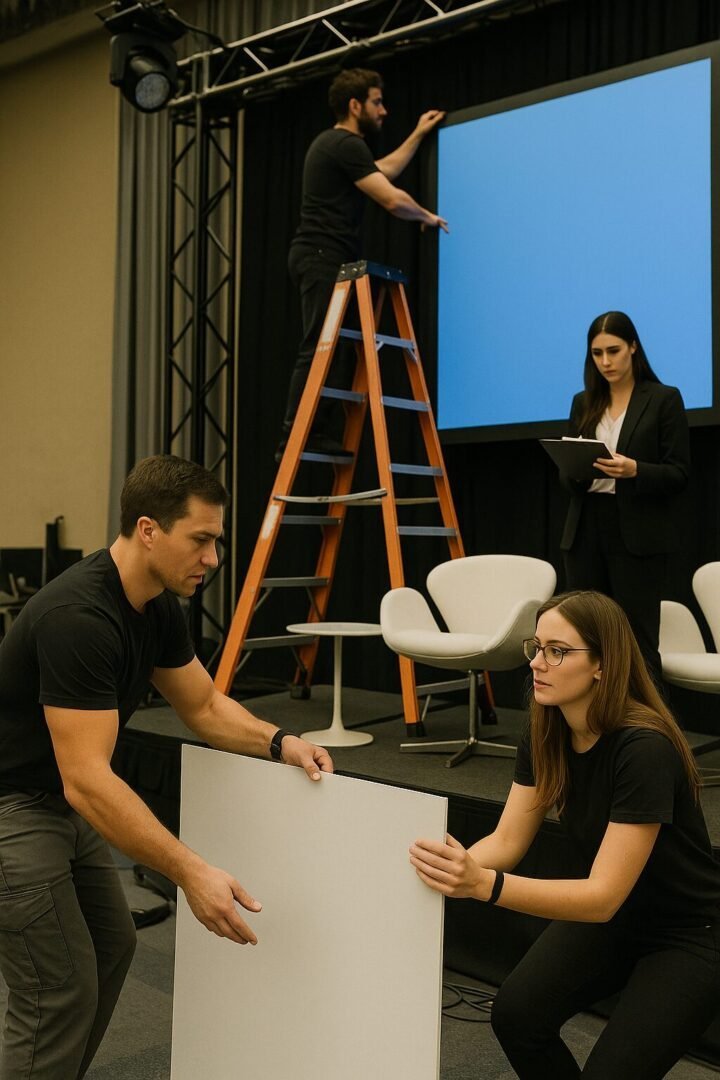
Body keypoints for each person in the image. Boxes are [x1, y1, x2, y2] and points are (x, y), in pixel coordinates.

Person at [0, 454, 333, 1079]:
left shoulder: (154, 606)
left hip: (57, 802)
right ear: (149, 530)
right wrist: (191, 872)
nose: (213, 558)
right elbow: (88, 780)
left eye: (216, 541)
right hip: (13, 811)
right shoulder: (79, 619)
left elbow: (203, 706)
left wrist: (279, 740)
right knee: (58, 988)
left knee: (111, 946)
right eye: (201, 540)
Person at [410, 590, 720, 1079]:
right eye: (536, 647)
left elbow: (602, 897)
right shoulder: (546, 730)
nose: (538, 663)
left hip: (689, 933)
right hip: (619, 919)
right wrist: (447, 866)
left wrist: (483, 884)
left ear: (602, 664)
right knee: (517, 1016)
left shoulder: (644, 748)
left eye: (557, 651)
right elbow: (507, 842)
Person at [278, 67, 448, 459]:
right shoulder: (343, 143)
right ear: (355, 106)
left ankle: (314, 431)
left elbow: (384, 170)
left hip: (321, 256)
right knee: (319, 345)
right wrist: (427, 216)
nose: (383, 110)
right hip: (321, 255)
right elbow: (391, 198)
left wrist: (418, 133)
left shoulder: (342, 147)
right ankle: (296, 434)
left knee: (332, 345)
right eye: (376, 102)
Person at [559, 310, 690, 683]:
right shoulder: (583, 402)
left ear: (633, 347)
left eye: (613, 351)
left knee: (637, 640)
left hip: (636, 532)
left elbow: (679, 473)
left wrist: (635, 470)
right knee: (585, 637)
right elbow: (567, 480)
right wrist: (574, 470)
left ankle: (646, 720)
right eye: (597, 353)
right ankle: (590, 715)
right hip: (585, 529)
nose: (605, 362)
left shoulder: (663, 399)